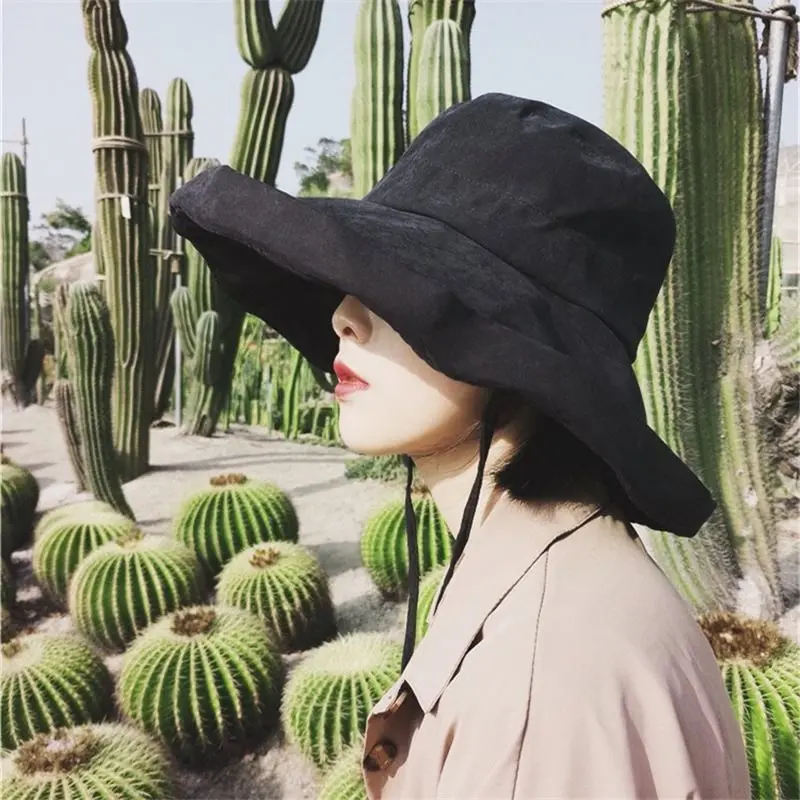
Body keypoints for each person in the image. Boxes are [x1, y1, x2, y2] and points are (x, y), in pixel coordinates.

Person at [169, 92, 752, 799]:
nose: (344, 315)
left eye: (401, 290)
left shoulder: (543, 693)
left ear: (520, 357)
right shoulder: (555, 576)